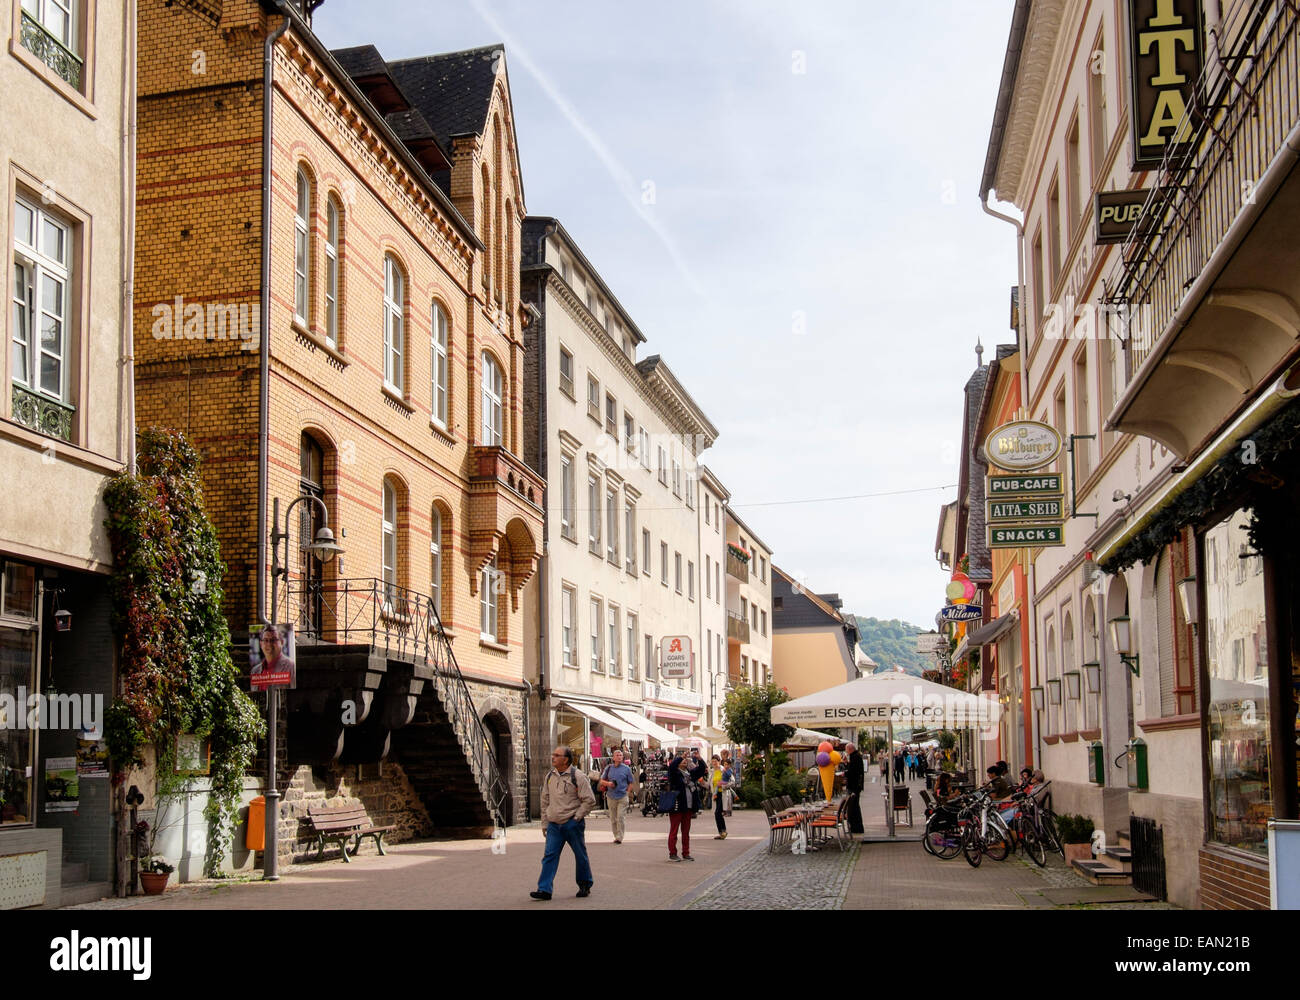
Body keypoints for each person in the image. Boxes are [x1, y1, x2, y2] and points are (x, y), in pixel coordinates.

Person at [531, 747, 596, 900]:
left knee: (580, 855)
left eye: (556, 755)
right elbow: (545, 800)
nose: (553, 757)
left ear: (566, 759)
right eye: (553, 754)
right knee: (549, 856)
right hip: (554, 824)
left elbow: (589, 800)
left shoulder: (578, 776)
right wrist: (544, 823)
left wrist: (577, 818)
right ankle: (544, 889)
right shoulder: (550, 776)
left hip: (572, 823)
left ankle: (585, 884)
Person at [666, 755, 699, 861]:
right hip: (677, 805)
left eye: (685, 760)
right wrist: (680, 757)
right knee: (674, 830)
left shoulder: (690, 774)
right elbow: (671, 766)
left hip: (688, 806)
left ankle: (686, 852)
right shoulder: (675, 773)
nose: (684, 761)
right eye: (682, 761)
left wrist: (699, 759)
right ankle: (673, 853)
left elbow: (702, 769)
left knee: (686, 832)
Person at [599, 749, 635, 844]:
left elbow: (631, 782)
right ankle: (616, 835)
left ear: (623, 757)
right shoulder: (608, 768)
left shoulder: (627, 769)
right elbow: (601, 781)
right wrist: (609, 783)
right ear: (613, 757)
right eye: (617, 755)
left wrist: (627, 792)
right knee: (613, 819)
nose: (619, 756)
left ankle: (620, 837)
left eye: (621, 755)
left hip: (622, 796)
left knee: (620, 817)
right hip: (611, 796)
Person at [710, 755, 735, 839]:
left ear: (719, 761)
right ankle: (722, 832)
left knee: (717, 813)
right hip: (716, 795)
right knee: (717, 813)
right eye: (712, 761)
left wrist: (723, 785)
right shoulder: (712, 771)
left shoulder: (724, 769)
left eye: (715, 761)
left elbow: (732, 781)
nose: (714, 763)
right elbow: (709, 784)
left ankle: (723, 831)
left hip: (723, 794)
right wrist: (702, 782)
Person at [844, 743, 865, 835]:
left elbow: (852, 772)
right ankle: (856, 827)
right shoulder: (856, 756)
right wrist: (847, 764)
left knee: (853, 807)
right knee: (854, 807)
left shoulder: (855, 757)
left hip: (854, 786)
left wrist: (845, 774)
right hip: (856, 786)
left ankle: (856, 827)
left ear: (850, 749)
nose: (846, 752)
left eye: (846, 750)